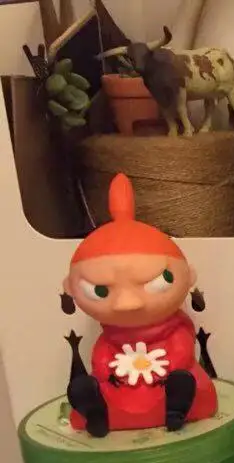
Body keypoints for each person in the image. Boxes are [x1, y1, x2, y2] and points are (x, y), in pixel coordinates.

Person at [63, 174, 216, 437]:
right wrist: (106, 370)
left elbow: (181, 348)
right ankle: (96, 411)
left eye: (157, 282)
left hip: (167, 380)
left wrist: (170, 366)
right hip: (120, 384)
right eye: (100, 290)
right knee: (94, 388)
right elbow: (102, 355)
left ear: (188, 276)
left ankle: (176, 410)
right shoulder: (110, 338)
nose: (128, 303)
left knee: (188, 384)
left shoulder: (176, 329)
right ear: (69, 287)